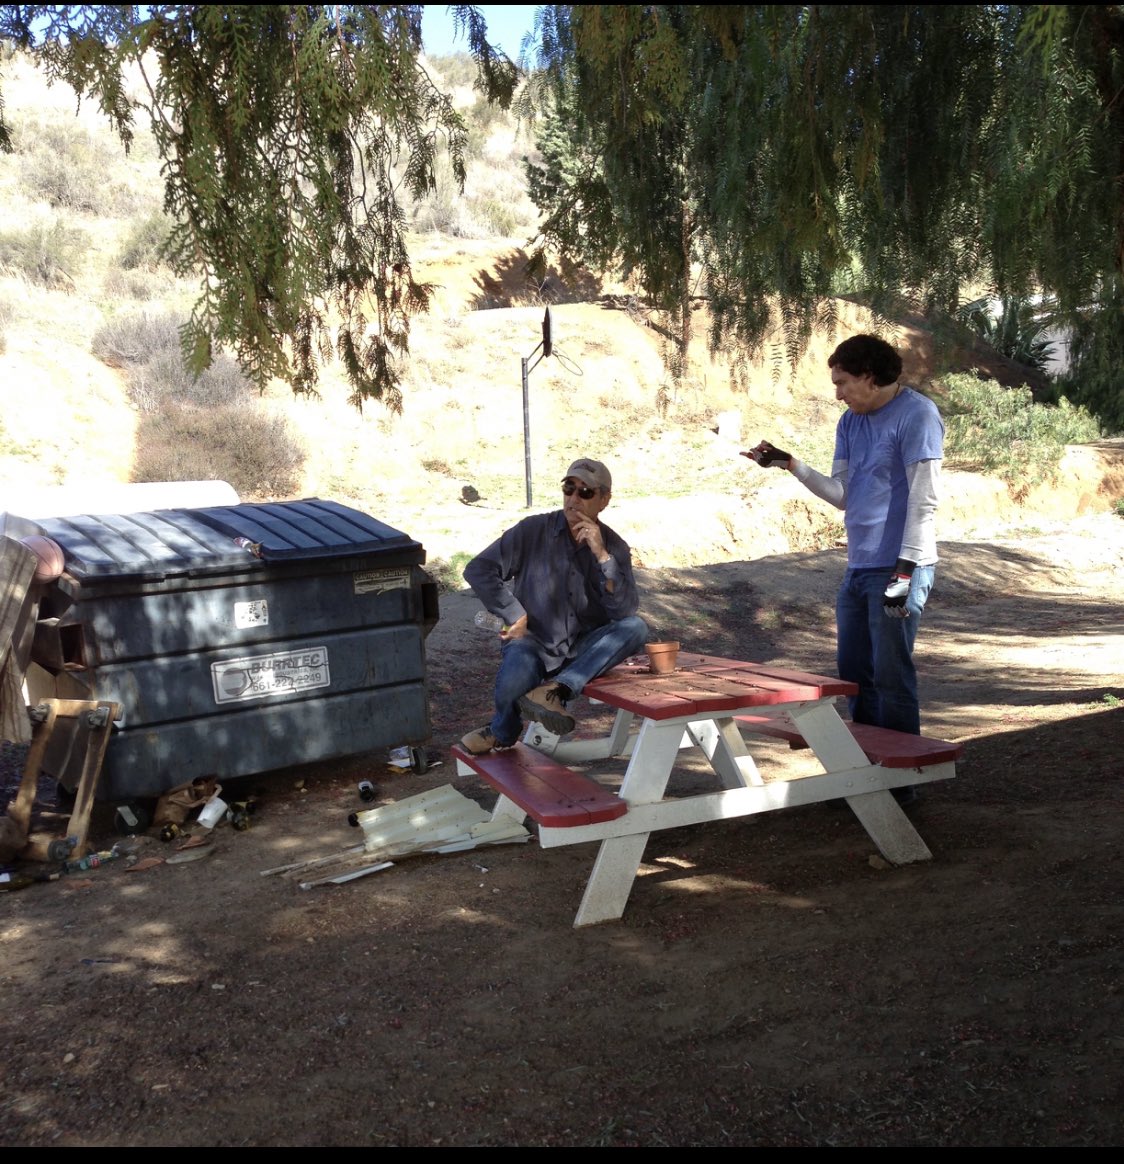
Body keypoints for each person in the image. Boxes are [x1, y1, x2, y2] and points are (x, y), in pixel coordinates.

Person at [743, 333, 944, 805]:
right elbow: (844, 496)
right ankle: (864, 773)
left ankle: (901, 783)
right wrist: (790, 464)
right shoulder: (850, 423)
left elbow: (924, 500)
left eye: (843, 382)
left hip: (900, 565)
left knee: (892, 676)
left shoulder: (918, 415)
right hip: (859, 566)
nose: (837, 393)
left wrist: (904, 570)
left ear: (871, 377)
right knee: (855, 673)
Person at [459, 458, 649, 754]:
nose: (574, 498)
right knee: (515, 674)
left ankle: (555, 689)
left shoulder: (614, 546)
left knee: (636, 627)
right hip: (534, 640)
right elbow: (478, 569)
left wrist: (601, 556)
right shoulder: (533, 530)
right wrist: (513, 614)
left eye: (585, 492)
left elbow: (623, 611)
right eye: (568, 488)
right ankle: (502, 731)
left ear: (604, 500)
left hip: (584, 648)